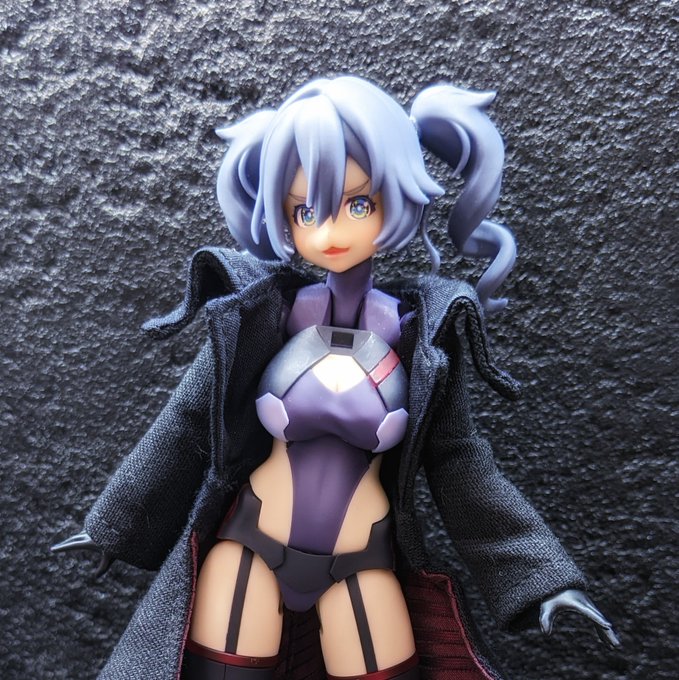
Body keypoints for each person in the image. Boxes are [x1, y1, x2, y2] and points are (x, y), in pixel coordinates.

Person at [53, 76, 618, 680]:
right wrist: (114, 522)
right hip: (249, 545)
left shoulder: (418, 336)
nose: (328, 233)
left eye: (357, 204)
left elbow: (460, 462)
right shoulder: (261, 316)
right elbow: (188, 420)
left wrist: (542, 577)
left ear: (397, 195)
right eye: (305, 211)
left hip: (363, 560)